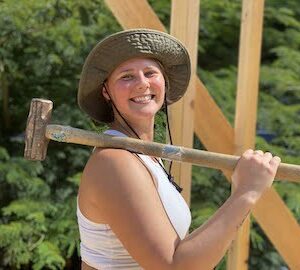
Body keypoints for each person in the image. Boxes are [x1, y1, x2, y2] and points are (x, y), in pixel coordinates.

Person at [77, 29, 281, 270]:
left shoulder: (146, 158)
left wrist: (245, 191)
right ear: (106, 92)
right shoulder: (115, 161)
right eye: (126, 76)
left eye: (150, 73)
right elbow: (174, 266)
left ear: (164, 82)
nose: (142, 83)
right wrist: (246, 193)